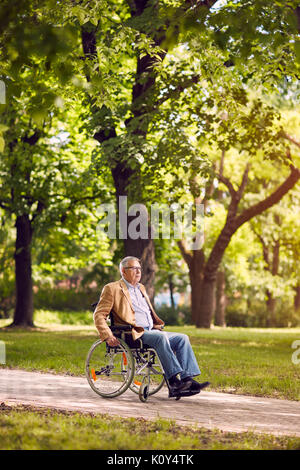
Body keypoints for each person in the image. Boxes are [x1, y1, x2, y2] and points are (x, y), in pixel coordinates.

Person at [93, 256, 210, 398]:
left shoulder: (141, 288)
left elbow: (144, 311)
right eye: (134, 268)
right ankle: (174, 382)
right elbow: (99, 315)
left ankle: (187, 381)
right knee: (160, 338)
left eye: (139, 268)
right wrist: (107, 335)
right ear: (123, 271)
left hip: (151, 330)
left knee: (182, 338)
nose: (138, 271)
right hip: (133, 333)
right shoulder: (112, 289)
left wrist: (154, 324)